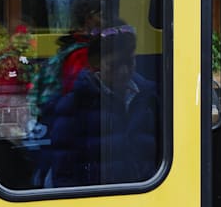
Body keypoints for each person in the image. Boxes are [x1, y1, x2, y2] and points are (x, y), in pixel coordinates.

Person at [44, 24, 161, 186]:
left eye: (129, 62)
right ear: (95, 66)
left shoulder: (148, 96)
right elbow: (63, 168)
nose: (124, 71)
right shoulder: (76, 103)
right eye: (114, 65)